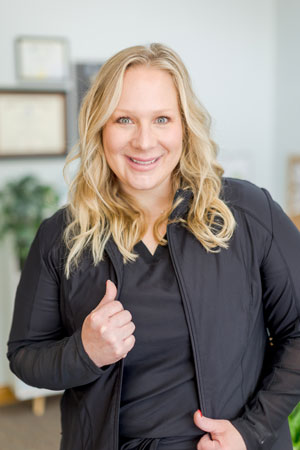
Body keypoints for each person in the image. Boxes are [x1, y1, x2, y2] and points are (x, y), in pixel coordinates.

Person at [7, 43, 300, 450]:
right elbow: (24, 356)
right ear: (99, 127)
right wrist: (84, 351)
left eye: (162, 119)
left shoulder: (248, 213)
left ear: (184, 126)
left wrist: (249, 432)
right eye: (124, 119)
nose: (144, 142)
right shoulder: (61, 236)